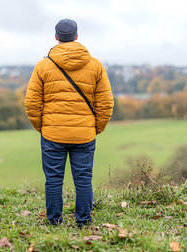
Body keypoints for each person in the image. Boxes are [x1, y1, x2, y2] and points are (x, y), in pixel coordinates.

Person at [24, 18, 114, 227]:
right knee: (83, 180)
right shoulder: (95, 65)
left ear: (56, 37)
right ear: (76, 37)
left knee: (54, 179)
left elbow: (32, 103)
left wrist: (43, 127)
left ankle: (54, 221)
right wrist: (94, 128)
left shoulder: (43, 66)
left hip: (52, 135)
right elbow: (106, 103)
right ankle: (83, 221)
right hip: (84, 135)